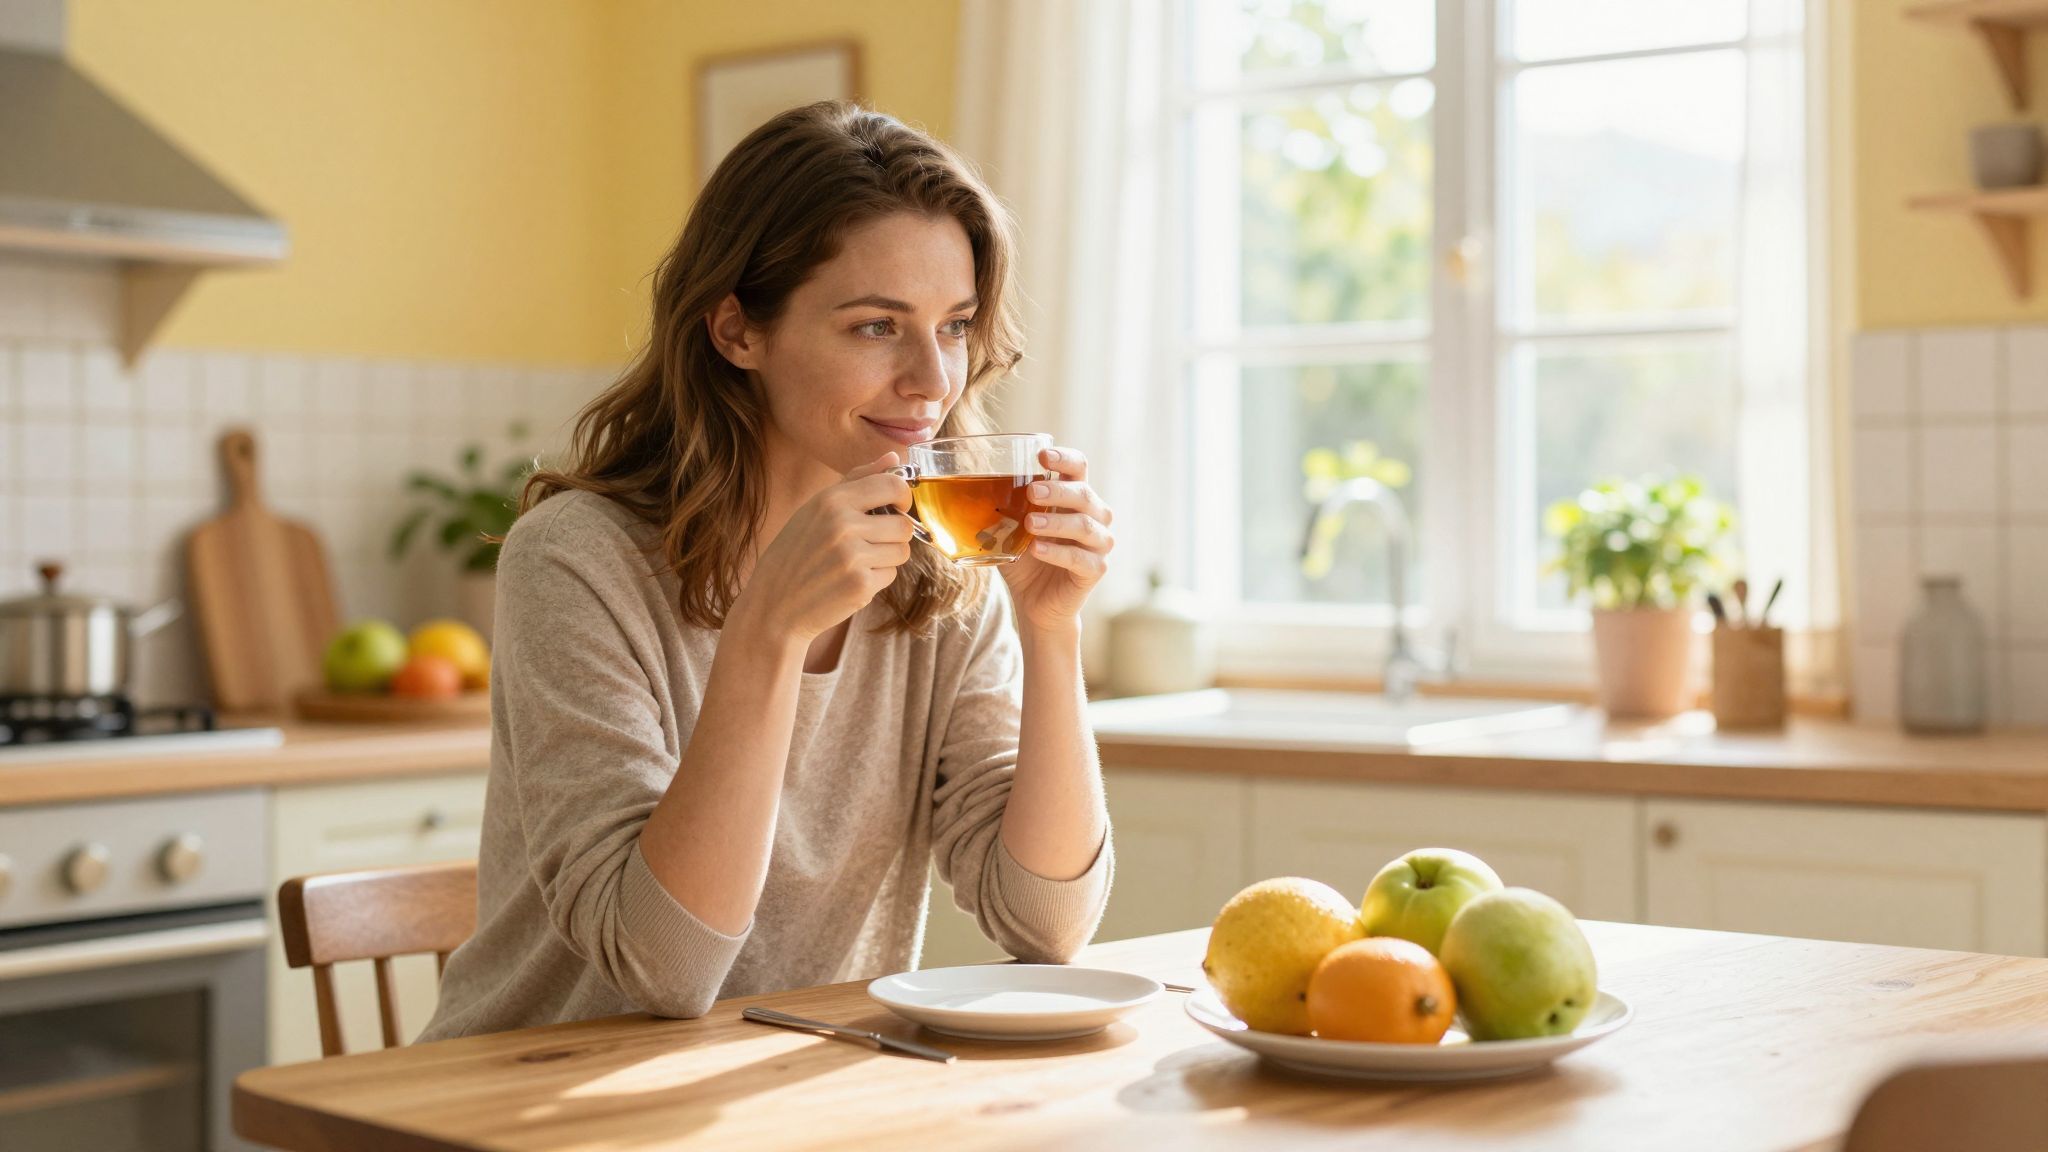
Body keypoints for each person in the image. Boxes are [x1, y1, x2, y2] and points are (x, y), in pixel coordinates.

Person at [420, 102, 1117, 1037]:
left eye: (953, 327)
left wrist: (1052, 629)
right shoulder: (579, 562)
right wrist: (766, 632)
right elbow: (665, 968)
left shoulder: (943, 573)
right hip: (522, 1107)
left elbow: (1047, 923)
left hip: (789, 1096)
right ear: (737, 331)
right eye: (877, 327)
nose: (931, 380)